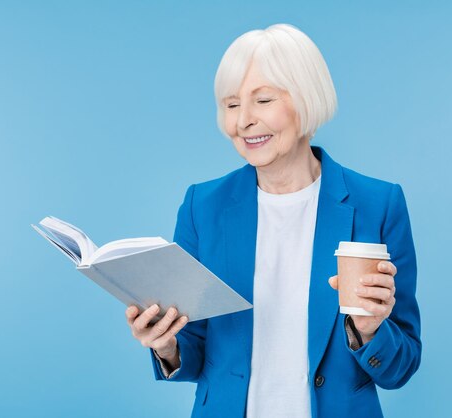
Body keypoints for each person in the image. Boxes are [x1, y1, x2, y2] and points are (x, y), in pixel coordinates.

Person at [124, 23, 421, 418]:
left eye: (262, 100)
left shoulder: (378, 203)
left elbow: (401, 366)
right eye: (231, 104)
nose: (243, 120)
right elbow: (194, 353)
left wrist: (369, 330)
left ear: (306, 99)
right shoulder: (202, 206)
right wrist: (165, 345)